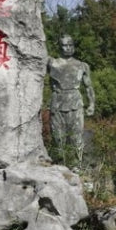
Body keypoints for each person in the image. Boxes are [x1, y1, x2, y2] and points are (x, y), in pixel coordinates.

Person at [47, 35, 95, 166]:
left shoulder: (82, 66)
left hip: (75, 102)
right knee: (57, 137)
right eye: (64, 45)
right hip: (57, 101)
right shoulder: (51, 63)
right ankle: (59, 164)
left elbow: (88, 86)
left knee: (76, 137)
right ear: (59, 47)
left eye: (70, 45)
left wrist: (92, 104)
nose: (68, 48)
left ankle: (76, 166)